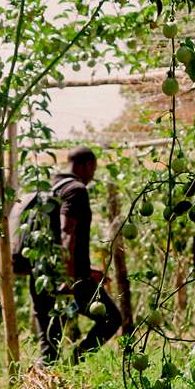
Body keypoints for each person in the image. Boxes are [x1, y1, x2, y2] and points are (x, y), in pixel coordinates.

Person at [29, 146, 122, 364]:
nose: (92, 175)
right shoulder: (77, 190)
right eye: (93, 169)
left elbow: (51, 237)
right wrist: (68, 276)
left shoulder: (50, 188)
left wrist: (87, 270)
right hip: (69, 280)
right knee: (110, 319)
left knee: (50, 346)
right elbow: (66, 232)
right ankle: (75, 362)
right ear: (87, 165)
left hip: (41, 277)